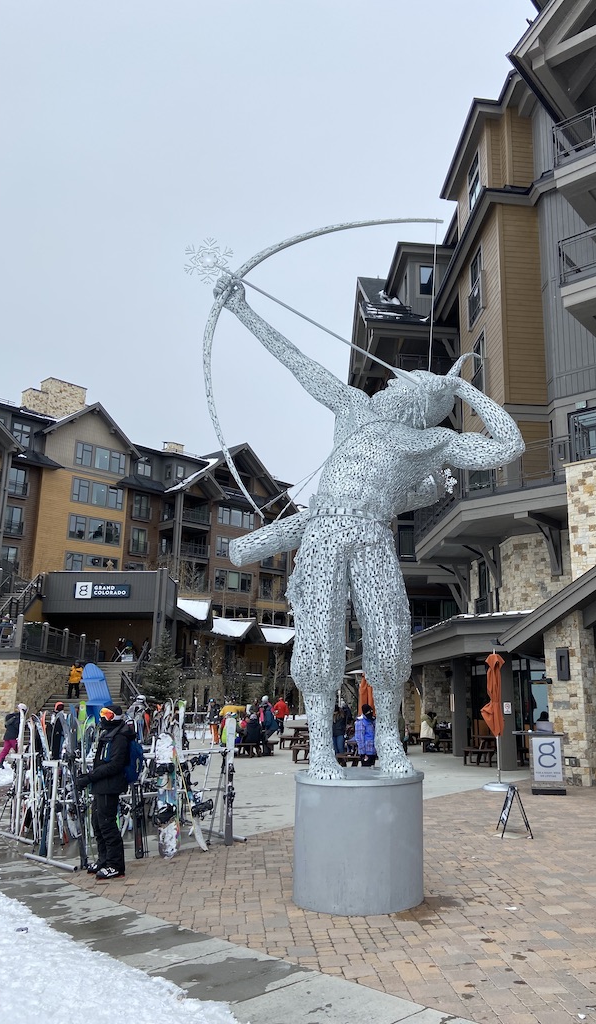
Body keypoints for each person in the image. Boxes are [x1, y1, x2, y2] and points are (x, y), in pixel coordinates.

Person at [216, 275, 524, 780]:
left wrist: (468, 390)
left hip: (374, 535)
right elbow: (300, 365)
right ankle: (320, 746)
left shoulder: (429, 444)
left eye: (405, 387)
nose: (389, 387)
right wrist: (245, 312)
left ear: (421, 408)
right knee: (319, 636)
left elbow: (508, 446)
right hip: (325, 532)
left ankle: (388, 739)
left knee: (388, 636)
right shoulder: (354, 409)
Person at [76, 705, 131, 880]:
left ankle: (115, 865)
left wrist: (90, 777)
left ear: (115, 717)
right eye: (102, 714)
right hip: (101, 784)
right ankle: (104, 859)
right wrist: (90, 777)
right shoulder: (108, 734)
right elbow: (102, 762)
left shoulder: (120, 737)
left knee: (107, 825)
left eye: (107, 715)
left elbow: (115, 765)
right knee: (97, 824)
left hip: (110, 785)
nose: (103, 718)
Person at [0, 703, 26, 768]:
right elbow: (18, 727)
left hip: (7, 736)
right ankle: (17, 764)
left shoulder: (12, 717)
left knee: (5, 750)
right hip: (13, 737)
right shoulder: (19, 718)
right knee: (18, 751)